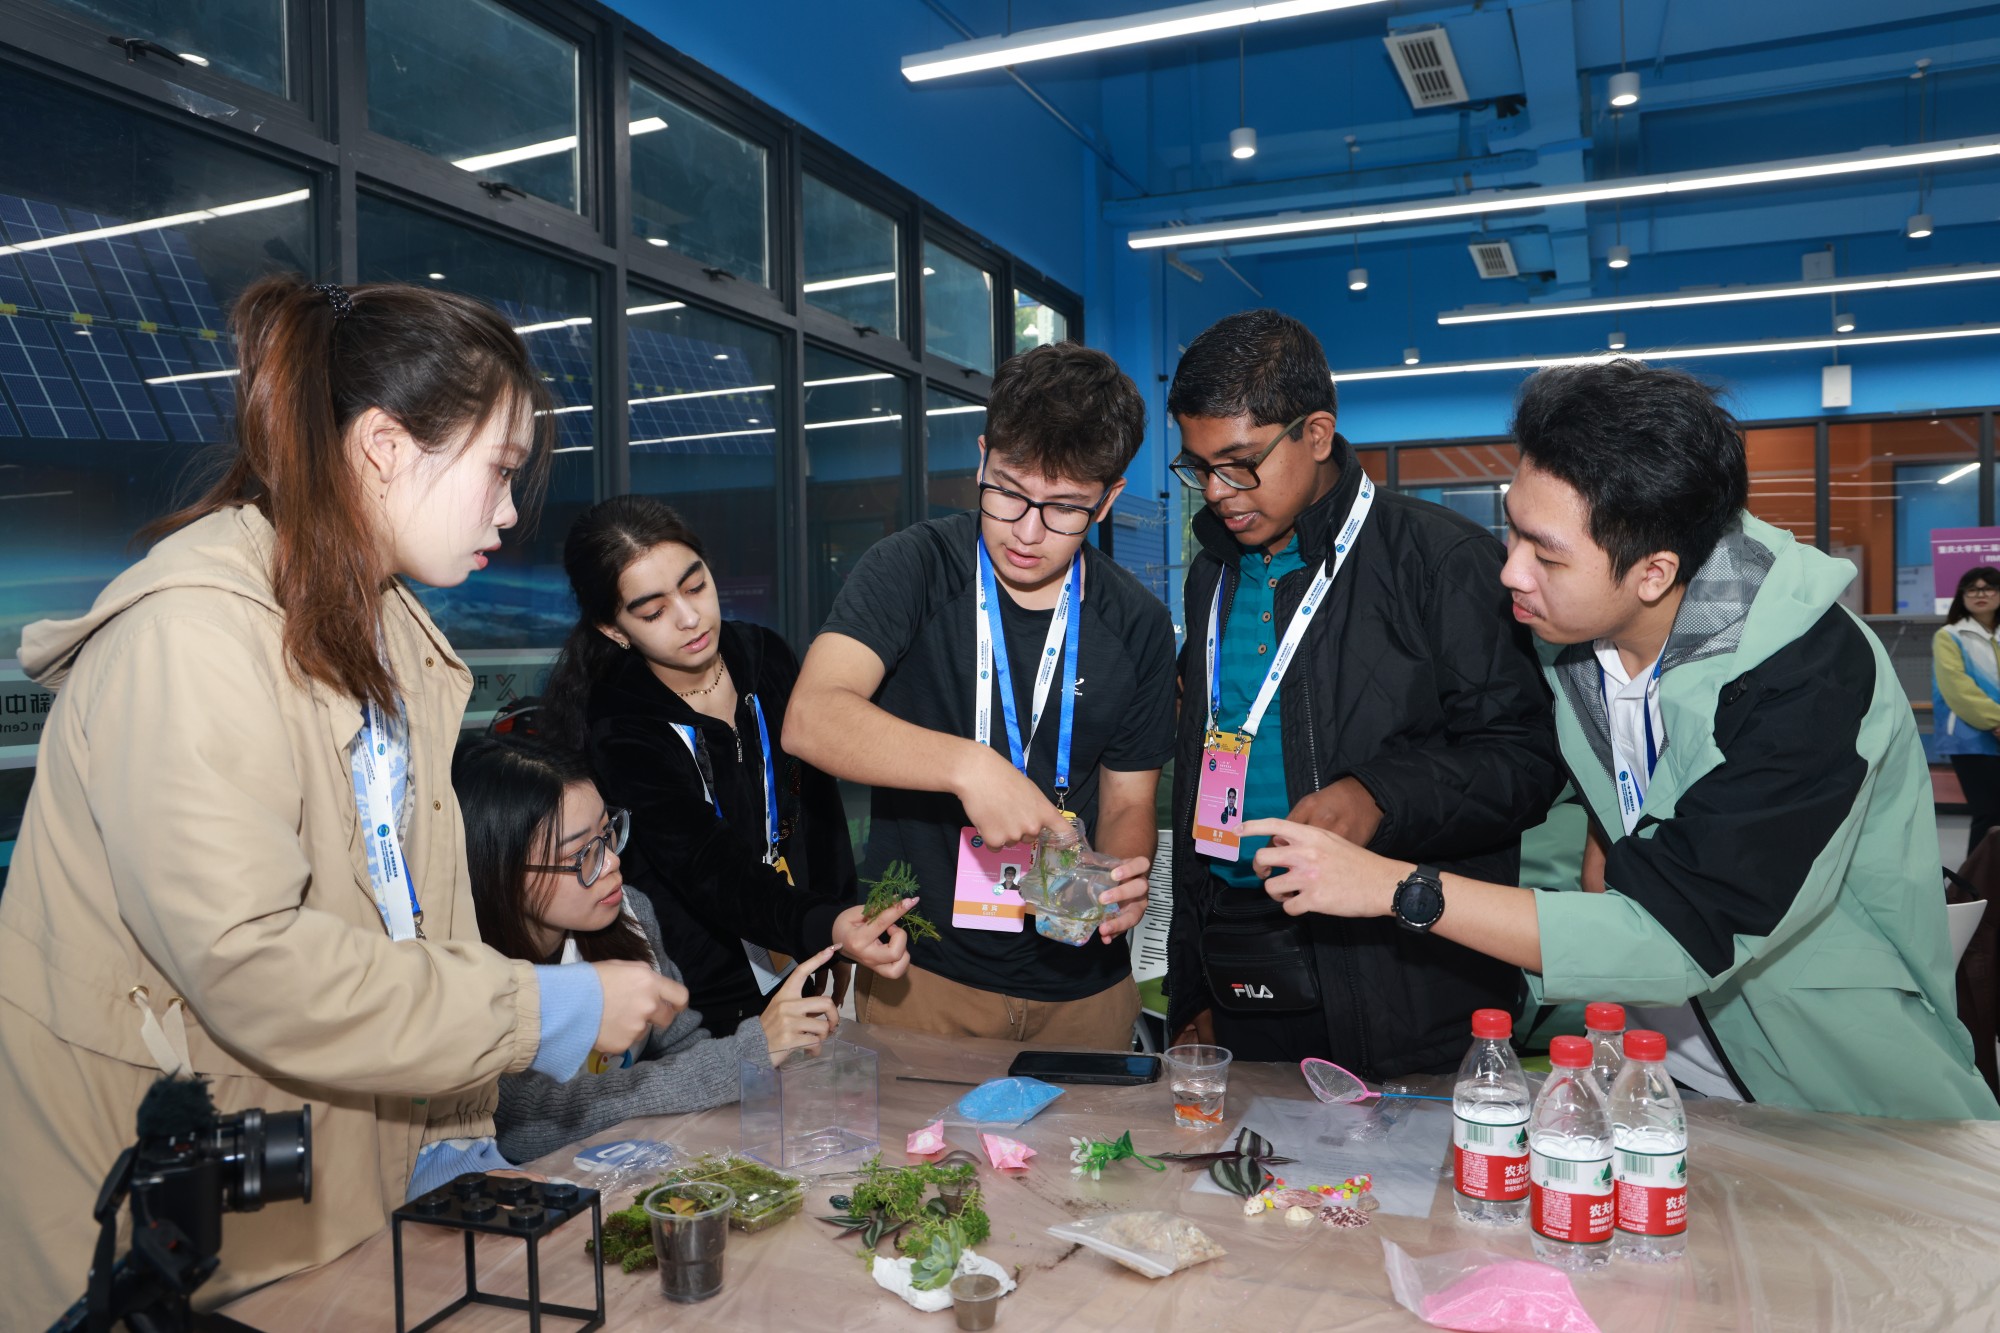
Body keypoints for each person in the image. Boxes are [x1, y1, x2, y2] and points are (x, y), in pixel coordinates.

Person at [0, 276, 689, 1326]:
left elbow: (404, 928)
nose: (510, 509)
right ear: (383, 447)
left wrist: (451, 1140)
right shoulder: (192, 642)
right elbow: (253, 961)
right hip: (165, 1251)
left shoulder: (387, 637)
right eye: (499, 469)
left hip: (324, 1206)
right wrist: (543, 1008)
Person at [1242, 359, 1999, 1120]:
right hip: (1665, 1079)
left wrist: (1395, 888)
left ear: (1653, 572)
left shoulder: (1808, 678)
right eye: (1512, 529)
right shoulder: (1573, 638)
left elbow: (1677, 934)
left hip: (1843, 1096)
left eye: (1546, 554)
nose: (1510, 571)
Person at [1163, 309, 1564, 1078]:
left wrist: (1379, 794)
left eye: (1240, 464)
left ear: (1317, 434)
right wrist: (1192, 984)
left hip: (1403, 974)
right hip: (1242, 953)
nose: (1218, 492)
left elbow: (1526, 760)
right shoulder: (1211, 574)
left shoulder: (1440, 562)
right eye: (1199, 466)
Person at [786, 342, 1176, 1048]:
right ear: (981, 458)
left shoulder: (1136, 622)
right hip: (925, 976)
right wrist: (970, 767)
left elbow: (1127, 800)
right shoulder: (913, 569)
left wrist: (1118, 879)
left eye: (1065, 508)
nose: (1027, 531)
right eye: (1008, 491)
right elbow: (812, 717)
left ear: (1109, 498)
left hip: (1082, 987)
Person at [540, 497, 912, 1036]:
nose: (689, 618)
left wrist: (835, 925)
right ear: (614, 629)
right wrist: (825, 923)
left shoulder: (765, 655)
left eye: (695, 586)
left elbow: (818, 807)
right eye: (653, 612)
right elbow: (707, 867)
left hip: (805, 945)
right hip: (703, 990)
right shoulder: (620, 726)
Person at [454, 734, 841, 1164]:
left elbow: (681, 1044)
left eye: (608, 833)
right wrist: (746, 1053)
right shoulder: (468, 978)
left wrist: (753, 1057)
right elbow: (524, 1126)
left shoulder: (629, 913)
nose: (611, 861)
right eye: (581, 855)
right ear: (501, 872)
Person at [1933, 565, 2000, 857]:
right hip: (1970, 737)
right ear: (1962, 596)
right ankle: (1974, 880)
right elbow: (1957, 689)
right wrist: (1996, 720)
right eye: (1972, 589)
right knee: (1989, 812)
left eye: (1988, 588)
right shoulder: (1950, 636)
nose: (1980, 594)